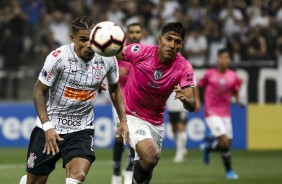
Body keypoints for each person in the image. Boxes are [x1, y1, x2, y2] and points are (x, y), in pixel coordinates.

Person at [19, 16, 129, 184]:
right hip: (50, 128)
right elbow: (38, 91)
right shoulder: (58, 57)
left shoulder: (107, 58)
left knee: (77, 176)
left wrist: (123, 120)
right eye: (83, 40)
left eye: (92, 40)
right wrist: (48, 127)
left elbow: (115, 90)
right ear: (72, 38)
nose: (88, 45)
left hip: (81, 130)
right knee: (35, 182)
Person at [116, 21, 196, 183]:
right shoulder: (140, 51)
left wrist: (185, 99)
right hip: (131, 114)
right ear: (160, 39)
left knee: (148, 166)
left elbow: (192, 105)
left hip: (155, 123)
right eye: (169, 39)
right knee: (151, 155)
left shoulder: (184, 67)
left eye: (177, 42)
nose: (172, 45)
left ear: (181, 45)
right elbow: (112, 53)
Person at [197, 48, 241, 179]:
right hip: (211, 111)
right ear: (217, 59)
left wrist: (238, 99)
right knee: (224, 140)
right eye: (221, 57)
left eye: (226, 57)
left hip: (225, 113)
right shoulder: (210, 74)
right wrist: (198, 101)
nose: (223, 60)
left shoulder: (233, 76)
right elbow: (198, 85)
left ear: (229, 59)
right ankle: (229, 171)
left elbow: (235, 90)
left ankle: (209, 148)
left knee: (227, 143)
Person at [111, 22, 143, 184]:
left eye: (137, 31)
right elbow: (109, 73)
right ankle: (116, 173)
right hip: (120, 101)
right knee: (119, 137)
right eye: (132, 32)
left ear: (142, 33)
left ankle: (129, 170)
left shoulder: (145, 53)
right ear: (127, 34)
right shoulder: (119, 53)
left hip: (138, 102)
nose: (135, 34)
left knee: (133, 138)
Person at [166, 80, 200, 163]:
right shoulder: (168, 70)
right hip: (171, 105)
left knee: (180, 127)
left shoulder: (186, 70)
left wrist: (197, 100)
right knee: (174, 129)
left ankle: (180, 152)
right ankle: (180, 147)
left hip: (182, 105)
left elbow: (194, 86)